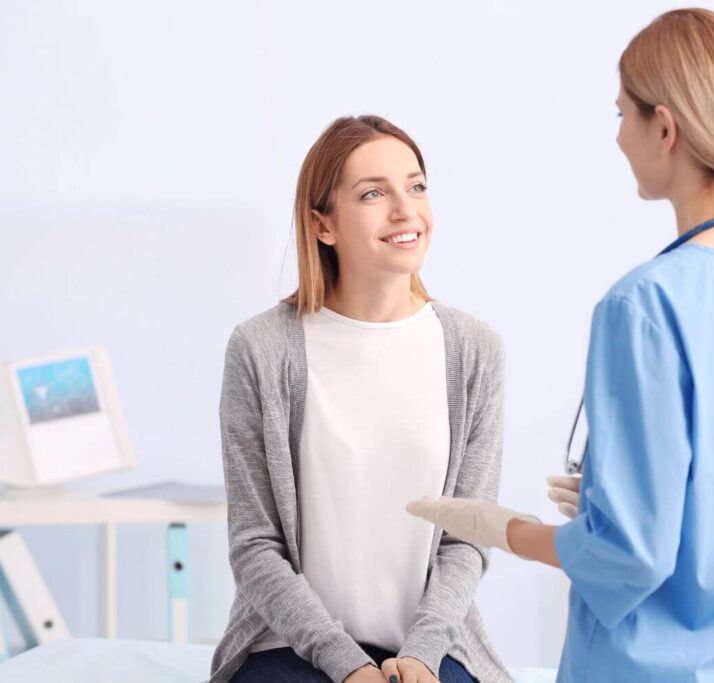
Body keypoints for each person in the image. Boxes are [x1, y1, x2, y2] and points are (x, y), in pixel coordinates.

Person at [407, 9, 714, 682]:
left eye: (623, 113)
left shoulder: (645, 306)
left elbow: (628, 555)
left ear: (665, 128)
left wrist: (505, 527)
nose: (619, 136)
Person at [210, 115, 512, 683]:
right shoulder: (262, 348)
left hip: (430, 646)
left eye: (416, 186)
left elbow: (466, 539)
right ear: (323, 225)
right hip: (289, 647)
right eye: (373, 193)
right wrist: (343, 661)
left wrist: (422, 652)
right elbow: (254, 546)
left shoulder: (474, 349)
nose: (405, 210)